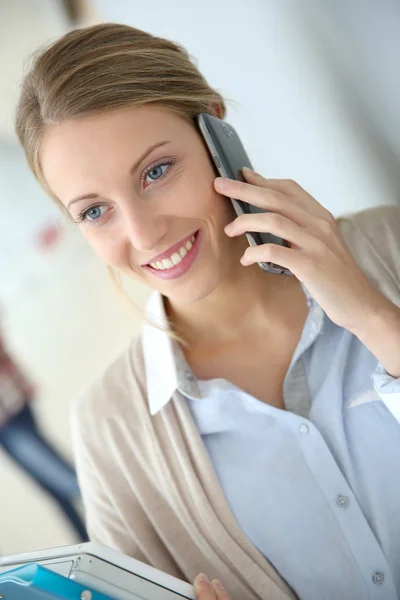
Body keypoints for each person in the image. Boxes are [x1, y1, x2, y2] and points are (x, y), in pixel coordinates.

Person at [15, 23, 400, 600]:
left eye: (155, 171)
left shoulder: (390, 244)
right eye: (95, 211)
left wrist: (374, 317)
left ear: (216, 130)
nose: (143, 234)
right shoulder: (110, 431)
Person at [0, 330, 87, 542]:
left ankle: (130, 533)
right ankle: (88, 550)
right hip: (9, 406)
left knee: (69, 482)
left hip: (9, 409)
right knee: (53, 489)